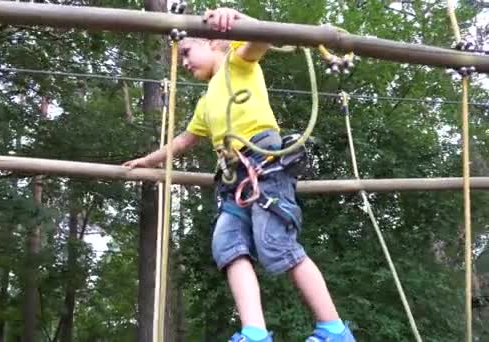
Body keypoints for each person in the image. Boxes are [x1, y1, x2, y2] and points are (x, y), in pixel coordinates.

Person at [124, 7, 355, 342]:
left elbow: (263, 35)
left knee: (276, 244)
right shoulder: (205, 103)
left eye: (187, 51)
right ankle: (255, 332)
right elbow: (184, 140)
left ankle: (334, 329)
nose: (185, 63)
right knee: (227, 245)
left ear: (216, 42)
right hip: (233, 179)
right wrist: (149, 160)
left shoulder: (238, 62)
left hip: (264, 163)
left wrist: (235, 20)